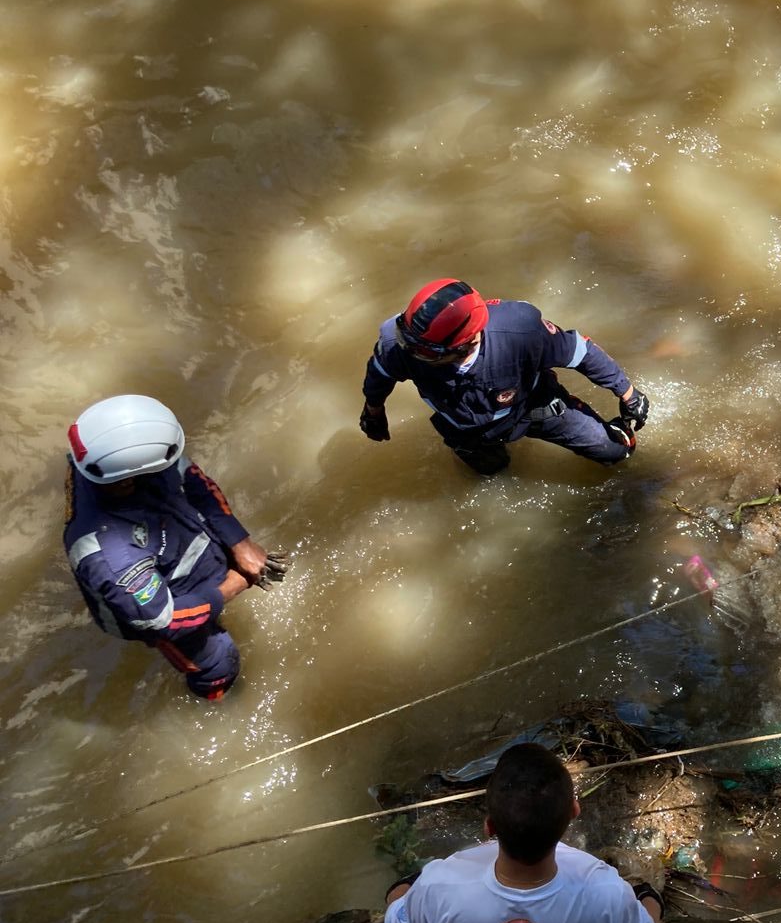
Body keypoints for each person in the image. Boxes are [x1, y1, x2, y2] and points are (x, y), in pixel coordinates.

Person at [62, 395, 288, 701]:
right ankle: (219, 702)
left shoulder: (108, 456)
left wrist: (240, 543)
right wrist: (237, 582)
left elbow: (195, 480)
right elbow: (163, 621)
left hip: (169, 546)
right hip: (155, 606)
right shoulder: (110, 555)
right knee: (219, 662)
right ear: (129, 480)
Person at [384, 742, 661, 923]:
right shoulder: (606, 892)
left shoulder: (440, 885)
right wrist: (649, 896)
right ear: (574, 811)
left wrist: (406, 886)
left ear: (489, 827)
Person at [359, 279, 651, 475]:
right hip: (463, 427)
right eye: (409, 341)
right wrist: (373, 410)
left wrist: (627, 393)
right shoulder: (400, 342)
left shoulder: (520, 331)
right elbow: (380, 373)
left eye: (425, 351)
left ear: (469, 341)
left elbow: (582, 352)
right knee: (489, 473)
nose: (411, 351)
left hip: (534, 407)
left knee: (615, 455)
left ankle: (616, 436)